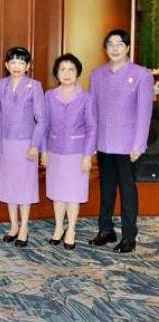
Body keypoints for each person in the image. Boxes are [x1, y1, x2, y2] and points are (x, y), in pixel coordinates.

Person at [88, 29, 154, 253]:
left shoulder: (141, 75)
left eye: (119, 44)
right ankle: (105, 229)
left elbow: (144, 113)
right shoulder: (97, 74)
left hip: (128, 146)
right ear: (105, 48)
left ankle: (129, 236)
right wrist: (92, 142)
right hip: (104, 143)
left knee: (127, 192)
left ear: (127, 48)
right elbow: (93, 111)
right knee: (106, 189)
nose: (114, 48)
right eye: (110, 44)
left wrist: (138, 145)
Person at [41, 53, 96, 250]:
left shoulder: (86, 97)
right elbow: (44, 125)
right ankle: (58, 227)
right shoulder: (49, 95)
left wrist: (88, 155)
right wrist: (43, 150)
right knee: (57, 193)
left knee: (73, 193)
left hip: (77, 153)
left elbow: (92, 127)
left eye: (71, 69)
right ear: (56, 73)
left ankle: (71, 229)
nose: (67, 73)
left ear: (77, 73)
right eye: (62, 69)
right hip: (54, 151)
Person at [0, 46, 45, 248]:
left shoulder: (34, 86)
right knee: (8, 184)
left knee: (25, 185)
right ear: (6, 65)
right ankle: (13, 226)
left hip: (26, 144)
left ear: (28, 66)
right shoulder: (0, 85)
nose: (17, 66)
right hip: (5, 143)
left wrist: (35, 145)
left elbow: (41, 119)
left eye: (21, 62)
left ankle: (24, 227)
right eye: (13, 62)